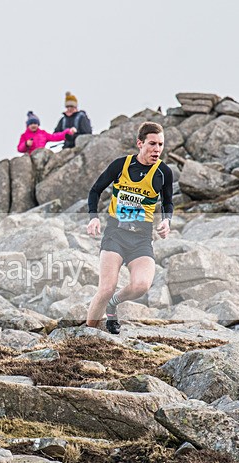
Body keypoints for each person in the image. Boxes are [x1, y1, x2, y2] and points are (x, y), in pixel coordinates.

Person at [85, 121, 173, 334]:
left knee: (141, 285)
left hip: (141, 238)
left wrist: (166, 221)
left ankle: (113, 305)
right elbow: (95, 190)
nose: (157, 149)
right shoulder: (121, 165)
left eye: (160, 144)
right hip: (115, 234)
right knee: (106, 288)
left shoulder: (163, 173)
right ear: (140, 143)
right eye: (152, 144)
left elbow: (168, 203)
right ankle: (87, 334)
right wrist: (93, 217)